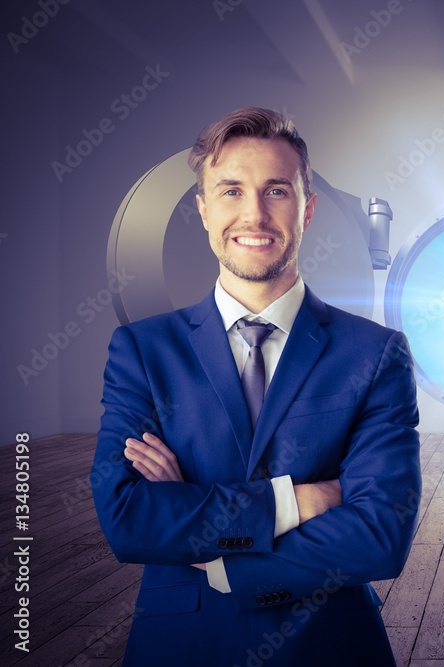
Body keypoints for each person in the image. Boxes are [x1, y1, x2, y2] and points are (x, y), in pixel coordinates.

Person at [91, 107, 420, 666]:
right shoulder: (144, 352)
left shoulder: (375, 353)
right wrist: (300, 499)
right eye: (230, 191)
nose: (254, 214)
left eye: (276, 191)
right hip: (180, 645)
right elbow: (128, 518)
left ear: (307, 208)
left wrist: (217, 557)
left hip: (331, 647)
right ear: (201, 209)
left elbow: (381, 530)